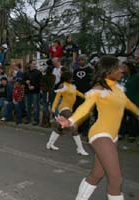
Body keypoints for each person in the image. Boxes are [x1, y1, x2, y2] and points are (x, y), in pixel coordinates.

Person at [55, 56, 139, 200]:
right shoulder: (98, 90)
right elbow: (85, 108)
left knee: (97, 174)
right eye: (118, 67)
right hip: (101, 134)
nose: (121, 70)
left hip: (113, 136)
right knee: (116, 179)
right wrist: (71, 121)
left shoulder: (118, 90)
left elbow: (131, 106)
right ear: (109, 70)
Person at [46, 71, 88, 156]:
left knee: (59, 128)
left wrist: (89, 97)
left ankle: (50, 144)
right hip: (64, 108)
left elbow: (79, 94)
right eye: (71, 77)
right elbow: (57, 98)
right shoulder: (63, 86)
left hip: (69, 109)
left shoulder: (72, 86)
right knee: (73, 126)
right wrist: (53, 108)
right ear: (67, 78)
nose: (72, 78)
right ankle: (80, 148)